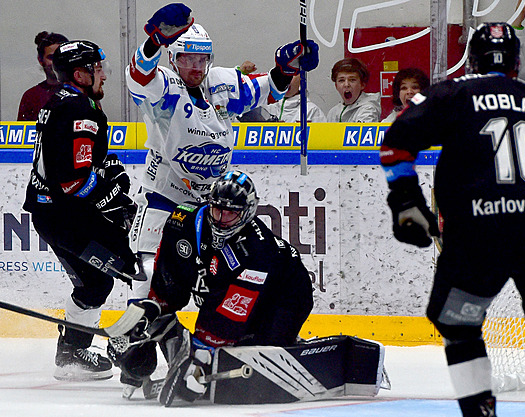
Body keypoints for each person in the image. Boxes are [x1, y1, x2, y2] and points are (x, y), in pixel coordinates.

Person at [380, 22, 525, 417]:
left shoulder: (454, 92)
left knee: (459, 329)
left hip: (479, 233)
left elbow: (395, 143)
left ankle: (480, 412)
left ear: (472, 59)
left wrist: (406, 201)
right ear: (517, 63)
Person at [126, 3, 319, 302]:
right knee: (150, 278)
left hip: (213, 206)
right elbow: (138, 76)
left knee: (232, 280)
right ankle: (137, 344)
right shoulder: (163, 87)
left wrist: (287, 68)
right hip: (164, 197)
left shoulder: (221, 83)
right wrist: (153, 40)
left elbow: (269, 89)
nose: (196, 67)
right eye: (187, 58)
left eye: (201, 58)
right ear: (172, 59)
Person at [107, 170, 314, 404]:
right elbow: (170, 283)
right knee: (193, 341)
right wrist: (146, 327)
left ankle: (287, 344)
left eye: (230, 214)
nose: (221, 219)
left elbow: (228, 318)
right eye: (217, 210)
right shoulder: (181, 222)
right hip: (224, 291)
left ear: (247, 213)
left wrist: (199, 356)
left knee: (251, 358)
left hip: (285, 296)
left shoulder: (257, 250)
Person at [23, 40, 141, 381]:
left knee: (95, 282)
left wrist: (105, 174)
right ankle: (128, 344)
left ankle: (73, 352)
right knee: (134, 268)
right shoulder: (80, 111)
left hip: (54, 214)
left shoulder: (64, 101)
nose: (103, 74)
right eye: (98, 68)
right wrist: (109, 190)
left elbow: (77, 166)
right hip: (67, 218)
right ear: (80, 74)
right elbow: (74, 183)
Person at [17, 31, 69, 121]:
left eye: (61, 56)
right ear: (40, 60)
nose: (57, 62)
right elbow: (24, 132)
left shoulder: (82, 91)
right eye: (51, 57)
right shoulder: (31, 96)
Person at [326, 58, 381, 123]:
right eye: (341, 80)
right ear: (336, 86)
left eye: (352, 80)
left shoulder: (368, 109)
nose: (346, 84)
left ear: (362, 85)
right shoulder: (333, 112)